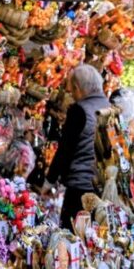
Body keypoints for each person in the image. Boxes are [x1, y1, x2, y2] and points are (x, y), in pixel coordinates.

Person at [46, 64, 110, 229]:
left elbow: (65, 149)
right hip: (104, 188)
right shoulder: (109, 106)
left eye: (72, 91)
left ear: (78, 88)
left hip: (80, 189)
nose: (72, 95)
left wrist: (49, 181)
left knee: (73, 236)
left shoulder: (79, 111)